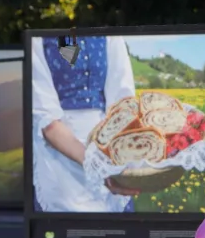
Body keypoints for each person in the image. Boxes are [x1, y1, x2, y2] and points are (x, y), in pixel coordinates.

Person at [31, 35, 140, 213]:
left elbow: (123, 102)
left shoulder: (109, 37)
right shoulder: (39, 40)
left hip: (106, 144)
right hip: (59, 152)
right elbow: (46, 119)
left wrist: (115, 158)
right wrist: (97, 164)